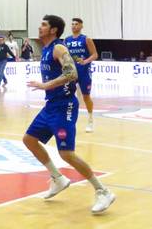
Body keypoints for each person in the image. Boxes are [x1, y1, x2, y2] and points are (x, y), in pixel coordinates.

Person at [23, 15, 114, 214]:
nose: (40, 27)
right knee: (29, 139)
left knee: (66, 154)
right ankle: (58, 178)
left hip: (65, 106)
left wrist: (45, 85)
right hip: (51, 105)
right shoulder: (46, 49)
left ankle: (103, 191)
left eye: (44, 25)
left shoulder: (59, 48)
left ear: (53, 30)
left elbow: (71, 74)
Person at [64, 18, 98, 133]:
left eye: (76, 24)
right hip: (71, 72)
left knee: (86, 96)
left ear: (81, 26)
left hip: (84, 71)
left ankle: (90, 119)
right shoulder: (66, 40)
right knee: (68, 96)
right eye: (72, 24)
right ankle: (69, 121)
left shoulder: (86, 39)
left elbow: (95, 55)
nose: (74, 26)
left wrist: (86, 61)